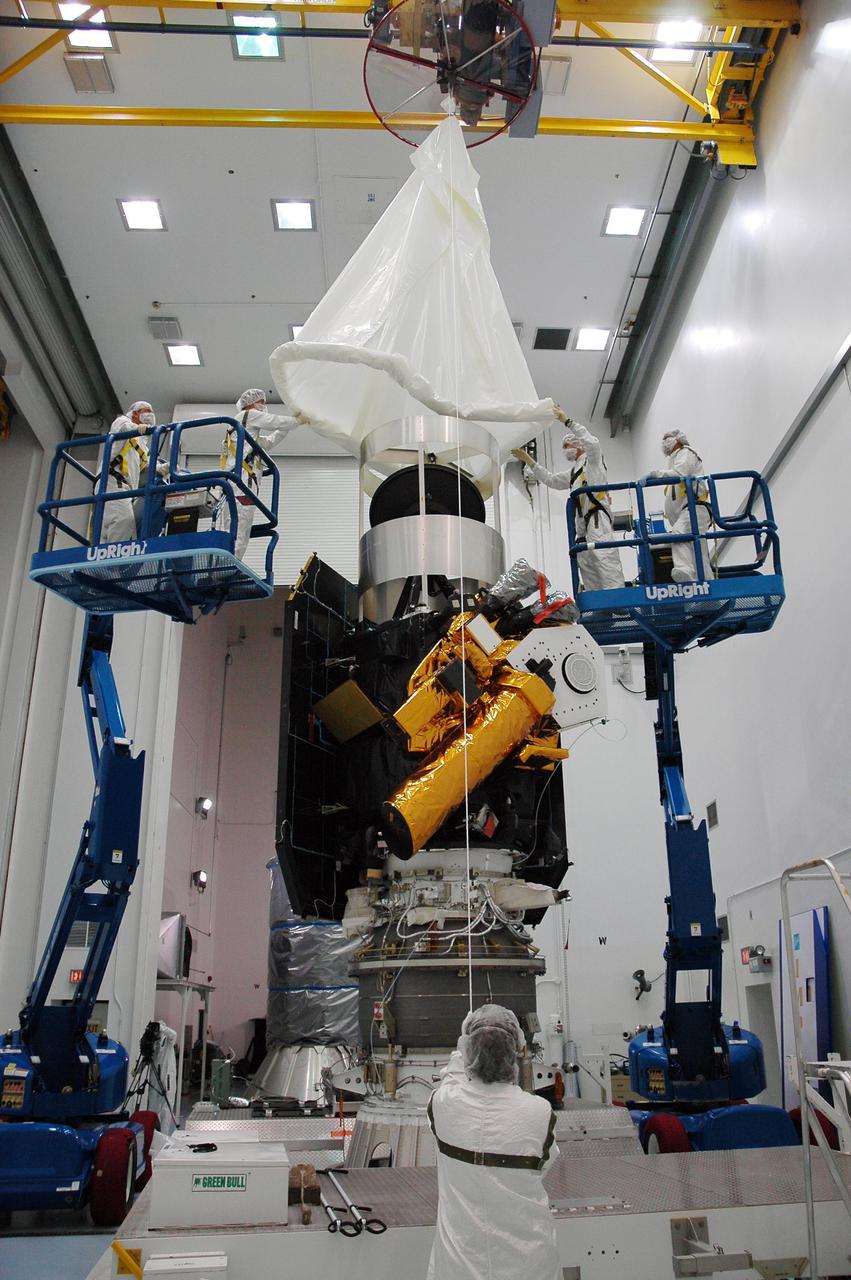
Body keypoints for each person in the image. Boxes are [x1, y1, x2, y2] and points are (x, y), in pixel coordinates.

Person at [426, 1004, 560, 1280]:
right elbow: (546, 1163)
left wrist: (459, 1049)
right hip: (528, 1264)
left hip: (459, 1264)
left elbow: (451, 1081)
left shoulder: (444, 1104)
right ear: (516, 1051)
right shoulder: (539, 1112)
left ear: (468, 1051)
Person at [512, 409, 625, 592]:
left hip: (597, 519)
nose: (565, 450)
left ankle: (617, 598)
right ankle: (598, 602)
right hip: (582, 525)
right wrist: (530, 462)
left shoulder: (593, 462)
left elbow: (593, 443)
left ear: (578, 445)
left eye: (566, 446)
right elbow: (551, 480)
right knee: (586, 562)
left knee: (604, 556)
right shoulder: (573, 473)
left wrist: (568, 421)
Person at [220, 390, 300, 561]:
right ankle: (228, 567)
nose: (263, 406)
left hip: (240, 482)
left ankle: (230, 564)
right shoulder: (248, 415)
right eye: (261, 402)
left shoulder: (246, 429)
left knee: (241, 526)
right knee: (239, 525)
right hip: (240, 481)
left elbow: (268, 442)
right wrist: (298, 420)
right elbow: (275, 421)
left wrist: (287, 427)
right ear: (250, 403)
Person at [646, 429, 714, 583]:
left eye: (667, 438)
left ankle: (684, 571)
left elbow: (680, 473)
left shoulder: (686, 453)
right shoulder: (675, 459)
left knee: (678, 534)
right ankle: (708, 583)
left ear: (677, 439)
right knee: (698, 551)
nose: (664, 442)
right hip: (688, 512)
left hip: (695, 508)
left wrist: (655, 474)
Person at [100, 400, 161, 543]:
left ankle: (106, 559)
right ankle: (114, 561)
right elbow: (122, 428)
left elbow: (145, 467)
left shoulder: (142, 446)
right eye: (146, 411)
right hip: (111, 482)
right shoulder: (122, 422)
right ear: (134, 413)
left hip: (125, 488)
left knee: (114, 527)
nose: (150, 415)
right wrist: (136, 427)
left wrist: (163, 468)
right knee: (123, 520)